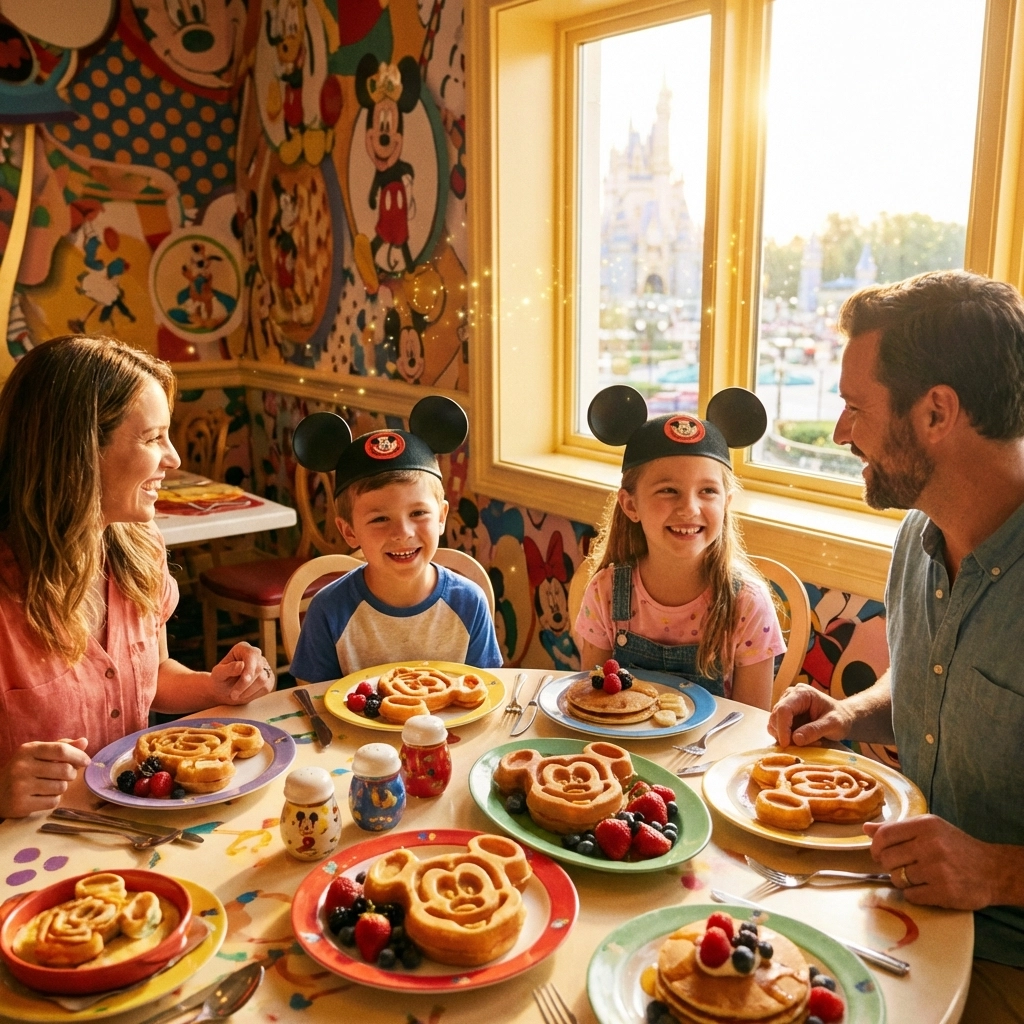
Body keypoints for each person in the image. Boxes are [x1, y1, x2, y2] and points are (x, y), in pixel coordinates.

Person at [767, 270, 1024, 1022]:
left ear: (938, 411)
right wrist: (849, 714)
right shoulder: (918, 534)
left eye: (853, 407)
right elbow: (928, 686)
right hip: (901, 912)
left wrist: (997, 874)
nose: (842, 432)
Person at [0, 336, 275, 819]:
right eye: (153, 438)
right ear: (78, 450)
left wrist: (213, 687)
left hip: (136, 826)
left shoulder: (137, 544)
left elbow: (156, 677)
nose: (173, 458)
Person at [574, 385, 785, 710]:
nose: (689, 508)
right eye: (669, 490)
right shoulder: (605, 591)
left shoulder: (747, 605)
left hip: (709, 757)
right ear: (631, 505)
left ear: (727, 503)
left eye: (708, 491)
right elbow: (593, 704)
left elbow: (750, 729)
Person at [288, 396, 501, 682]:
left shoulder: (469, 603)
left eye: (418, 512)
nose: (403, 533)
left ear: (441, 517)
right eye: (379, 519)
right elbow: (314, 709)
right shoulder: (328, 611)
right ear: (349, 531)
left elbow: (484, 694)